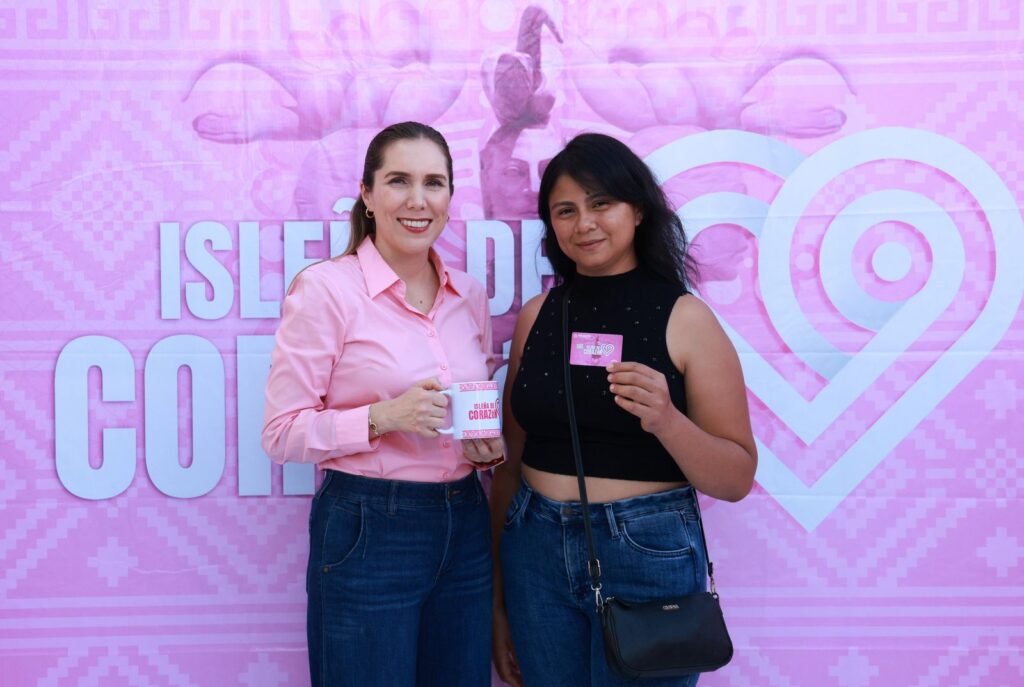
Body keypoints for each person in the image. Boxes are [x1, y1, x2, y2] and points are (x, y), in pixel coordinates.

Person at [490, 133, 757, 687]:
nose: (584, 223)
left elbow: (734, 479)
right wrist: (497, 600)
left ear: (637, 210)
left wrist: (668, 421)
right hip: (533, 550)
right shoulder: (537, 315)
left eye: (601, 203)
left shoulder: (686, 318)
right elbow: (509, 467)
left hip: (645, 552)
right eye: (566, 210)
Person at [261, 121, 503, 687]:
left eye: (434, 183)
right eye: (398, 181)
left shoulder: (468, 294)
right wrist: (381, 417)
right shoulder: (326, 289)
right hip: (369, 525)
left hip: (466, 520)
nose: (418, 200)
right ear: (367, 195)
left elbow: (471, 410)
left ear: (450, 196)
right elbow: (280, 432)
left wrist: (484, 449)